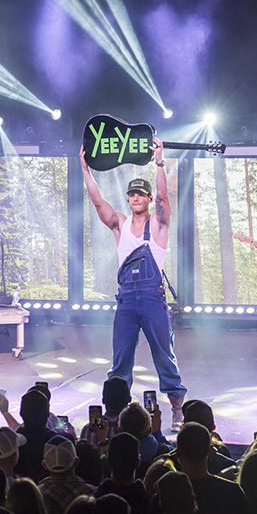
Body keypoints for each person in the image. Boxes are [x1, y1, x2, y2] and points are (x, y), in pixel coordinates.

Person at [81, 140, 188, 430]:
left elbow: (165, 196)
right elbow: (98, 202)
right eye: (132, 194)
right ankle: (116, 412)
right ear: (128, 199)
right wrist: (86, 170)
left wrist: (160, 161)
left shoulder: (158, 224)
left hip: (152, 299)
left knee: (164, 355)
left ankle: (178, 412)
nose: (136, 198)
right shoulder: (120, 224)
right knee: (120, 360)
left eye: (141, 194)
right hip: (126, 301)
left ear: (149, 199)